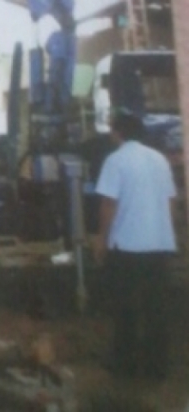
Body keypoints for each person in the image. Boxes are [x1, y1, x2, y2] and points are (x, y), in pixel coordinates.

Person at [93, 110, 177, 381]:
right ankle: (156, 369)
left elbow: (108, 204)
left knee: (126, 308)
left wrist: (101, 239)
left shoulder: (116, 160)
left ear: (118, 132)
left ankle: (126, 365)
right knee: (156, 308)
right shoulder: (159, 160)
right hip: (159, 245)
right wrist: (165, 232)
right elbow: (170, 202)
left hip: (128, 246)